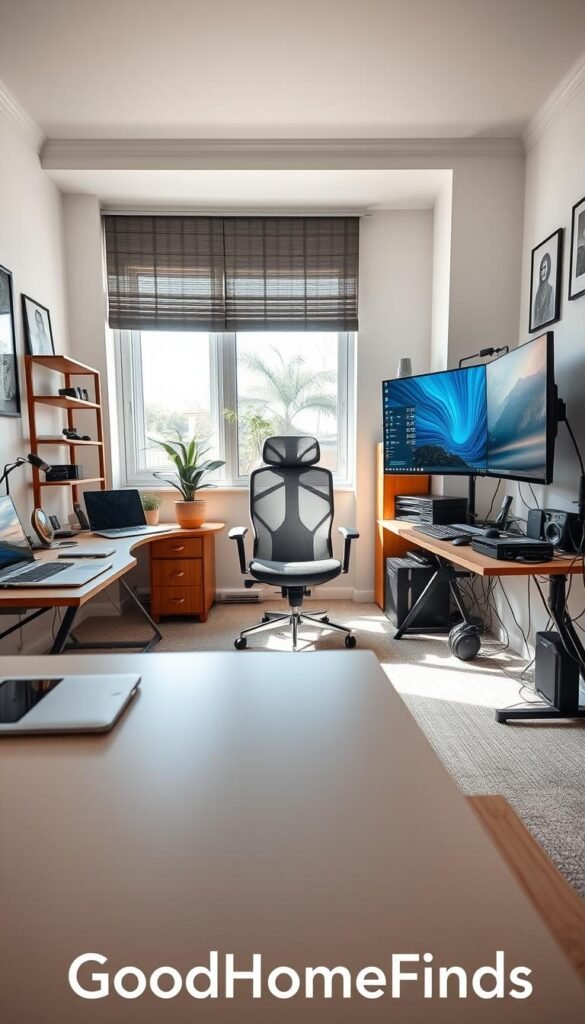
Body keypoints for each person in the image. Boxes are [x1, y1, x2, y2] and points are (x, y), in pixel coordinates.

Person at [533, 252, 554, 327]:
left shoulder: (551, 290)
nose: (543, 272)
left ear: (549, 268)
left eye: (545, 267)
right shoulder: (537, 295)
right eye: (541, 269)